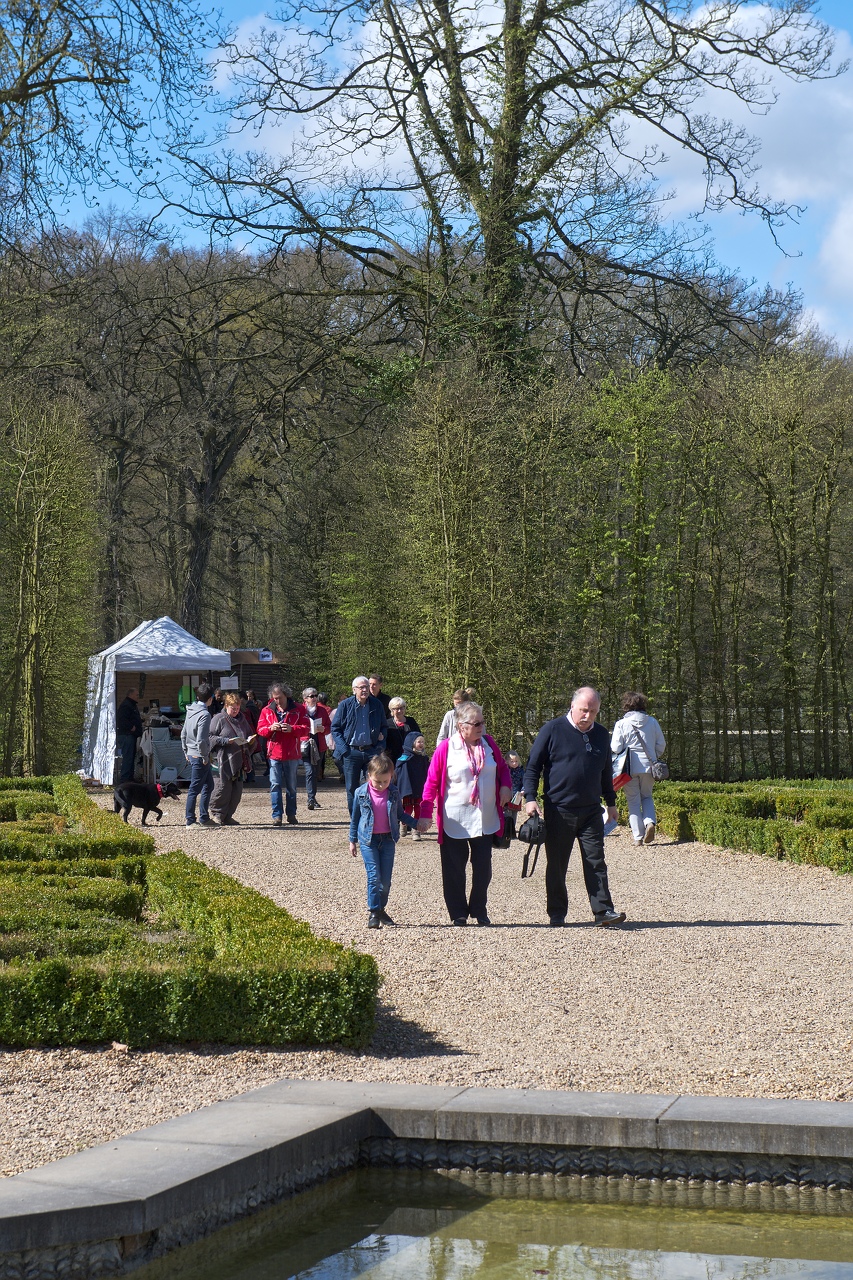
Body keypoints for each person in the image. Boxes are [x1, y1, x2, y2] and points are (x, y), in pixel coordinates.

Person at [523, 686, 626, 928]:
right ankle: (557, 913)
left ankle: (603, 911)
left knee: (596, 860)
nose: (587, 716)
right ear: (572, 706)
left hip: (591, 810)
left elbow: (605, 771)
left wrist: (611, 802)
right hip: (559, 809)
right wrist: (530, 798)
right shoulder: (552, 730)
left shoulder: (601, 734)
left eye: (593, 711)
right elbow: (532, 767)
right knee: (557, 864)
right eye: (584, 710)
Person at [418, 701, 512, 926]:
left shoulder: (489, 744)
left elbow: (503, 768)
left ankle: (479, 908)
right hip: (455, 818)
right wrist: (424, 812)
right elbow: (431, 783)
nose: (481, 726)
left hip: (484, 817)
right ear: (461, 726)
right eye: (476, 723)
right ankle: (458, 912)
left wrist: (505, 786)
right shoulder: (446, 748)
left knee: (483, 868)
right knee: (454, 869)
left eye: (482, 722)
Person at [349, 753, 418, 928]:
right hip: (368, 840)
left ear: (391, 778)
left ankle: (381, 909)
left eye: (385, 782)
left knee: (385, 881)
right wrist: (352, 840)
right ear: (369, 776)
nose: (381, 786)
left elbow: (400, 814)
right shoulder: (360, 793)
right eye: (377, 781)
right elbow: (355, 818)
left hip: (387, 840)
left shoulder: (393, 792)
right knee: (374, 877)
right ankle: (374, 912)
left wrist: (416, 823)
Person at [610, 691, 667, 846]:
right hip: (649, 767)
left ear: (626, 705)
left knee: (633, 801)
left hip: (628, 768)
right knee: (647, 796)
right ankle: (649, 822)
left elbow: (615, 747)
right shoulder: (653, 722)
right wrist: (653, 757)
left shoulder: (621, 724)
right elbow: (661, 744)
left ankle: (638, 837)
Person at [331, 676, 389, 814]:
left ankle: (368, 817)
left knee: (371, 785)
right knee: (352, 788)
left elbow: (384, 727)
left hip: (371, 752)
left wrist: (379, 746)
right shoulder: (345, 705)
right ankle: (355, 820)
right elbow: (335, 728)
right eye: (361, 687)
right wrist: (344, 750)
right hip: (351, 753)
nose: (365, 690)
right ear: (354, 690)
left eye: (366, 687)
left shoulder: (376, 704)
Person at [257, 683, 309, 826]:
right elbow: (260, 730)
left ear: (287, 695)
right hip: (274, 753)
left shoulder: (299, 709)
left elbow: (306, 729)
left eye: (279, 698)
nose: (277, 701)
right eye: (274, 698)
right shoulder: (267, 710)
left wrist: (292, 729)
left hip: (291, 753)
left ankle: (291, 814)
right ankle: (277, 815)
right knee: (275, 784)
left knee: (291, 786)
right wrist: (270, 728)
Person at [209, 692, 255, 825]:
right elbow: (210, 737)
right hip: (222, 760)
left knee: (236, 791)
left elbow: (248, 733)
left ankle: (228, 815)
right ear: (226, 706)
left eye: (237, 708)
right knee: (222, 788)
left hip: (239, 761)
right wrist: (225, 741)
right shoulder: (218, 719)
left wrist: (250, 741)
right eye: (233, 708)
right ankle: (217, 814)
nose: (235, 711)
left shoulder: (242, 719)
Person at [181, 682, 216, 829]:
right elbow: (201, 739)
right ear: (210, 699)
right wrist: (204, 756)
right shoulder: (205, 714)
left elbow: (183, 733)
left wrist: (185, 751)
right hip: (200, 755)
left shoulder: (190, 710)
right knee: (194, 789)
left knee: (209, 784)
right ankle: (190, 820)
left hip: (192, 753)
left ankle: (204, 817)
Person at [298, 687, 332, 810]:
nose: (314, 698)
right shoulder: (300, 710)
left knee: (316, 772)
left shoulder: (322, 710)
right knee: (310, 771)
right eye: (311, 696)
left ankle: (312, 797)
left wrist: (324, 729)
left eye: (315, 695)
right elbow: (296, 726)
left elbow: (329, 726)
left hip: (319, 744)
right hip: (306, 744)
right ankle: (310, 798)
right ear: (305, 698)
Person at [395, 731, 429, 841]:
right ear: (412, 743)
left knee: (419, 809)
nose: (421, 744)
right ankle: (404, 824)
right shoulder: (404, 759)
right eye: (419, 741)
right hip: (409, 789)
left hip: (420, 788)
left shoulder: (423, 758)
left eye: (423, 742)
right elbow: (399, 774)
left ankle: (416, 830)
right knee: (408, 809)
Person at [116, 687, 143, 782]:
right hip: (127, 735)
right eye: (136, 695)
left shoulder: (131, 704)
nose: (138, 697)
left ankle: (130, 778)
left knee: (131, 757)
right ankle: (124, 779)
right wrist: (131, 727)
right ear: (130, 694)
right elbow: (121, 719)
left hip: (130, 735)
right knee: (128, 757)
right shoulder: (126, 705)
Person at [385, 697, 421, 762]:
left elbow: (419, 737)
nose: (400, 711)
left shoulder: (411, 721)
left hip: (411, 757)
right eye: (397, 709)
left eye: (402, 708)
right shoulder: (387, 724)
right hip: (393, 759)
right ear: (392, 710)